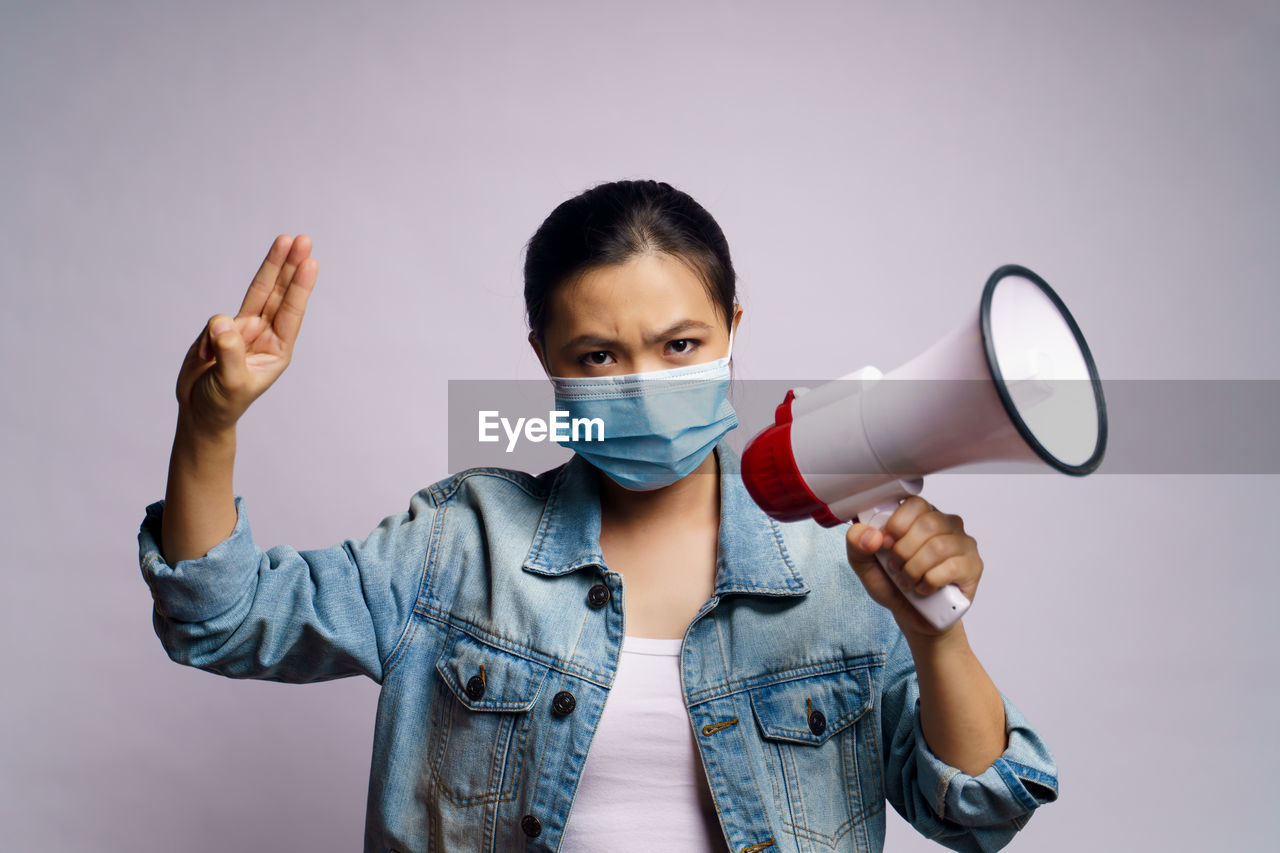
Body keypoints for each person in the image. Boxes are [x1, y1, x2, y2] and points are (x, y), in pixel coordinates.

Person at [137, 179, 1059, 852]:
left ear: (734, 327)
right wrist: (207, 426)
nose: (647, 385)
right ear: (543, 356)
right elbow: (219, 618)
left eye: (682, 344)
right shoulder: (460, 545)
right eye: (599, 356)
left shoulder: (838, 570)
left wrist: (935, 632)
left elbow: (978, 811)